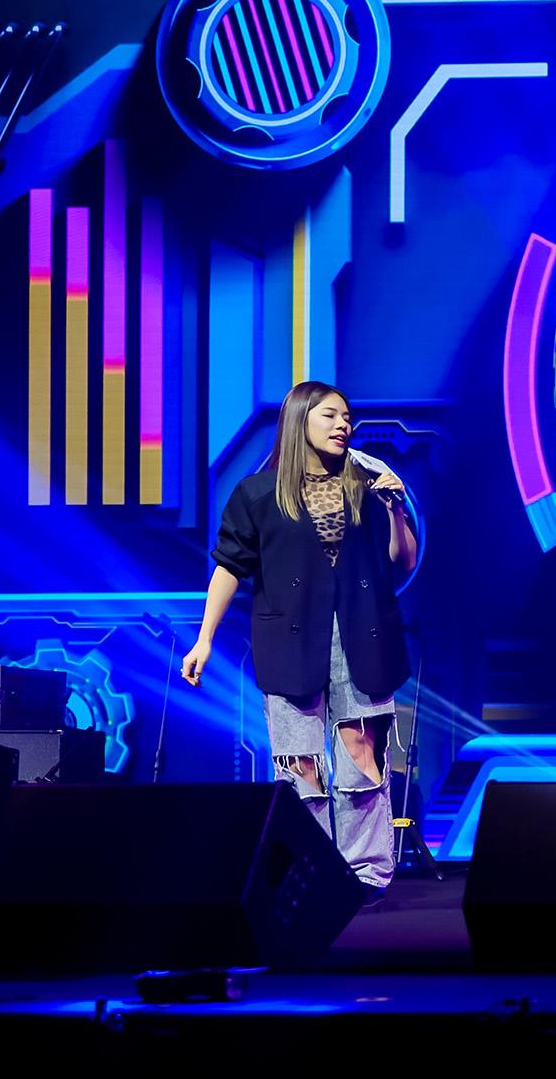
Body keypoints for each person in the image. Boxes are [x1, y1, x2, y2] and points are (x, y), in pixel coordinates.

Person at [183, 381, 418, 898]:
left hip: (361, 634)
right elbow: (229, 567)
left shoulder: (367, 485)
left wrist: (396, 507)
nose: (343, 425)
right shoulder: (257, 494)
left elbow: (401, 561)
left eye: (347, 417)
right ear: (299, 421)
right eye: (330, 415)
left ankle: (365, 873)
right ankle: (311, 873)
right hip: (290, 639)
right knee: (299, 763)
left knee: (360, 753)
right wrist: (204, 639)